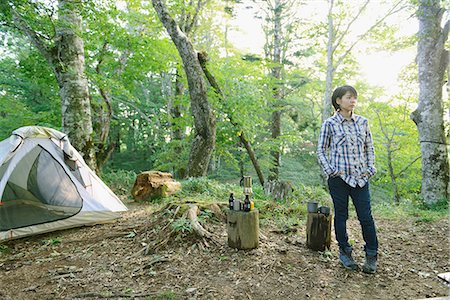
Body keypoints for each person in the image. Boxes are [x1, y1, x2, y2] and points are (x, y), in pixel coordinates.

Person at [317, 85, 378, 274]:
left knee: (366, 217)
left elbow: (369, 148)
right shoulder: (330, 124)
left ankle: (371, 255)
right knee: (341, 216)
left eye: (354, 98)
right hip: (339, 179)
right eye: (349, 97)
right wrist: (330, 171)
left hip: (360, 178)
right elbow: (321, 150)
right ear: (338, 101)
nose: (353, 101)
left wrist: (369, 169)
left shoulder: (362, 122)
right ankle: (345, 253)